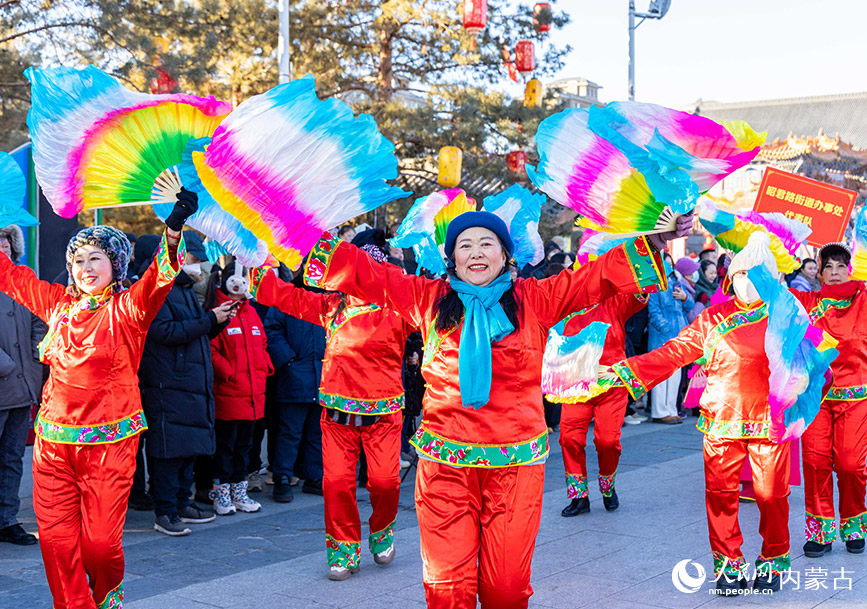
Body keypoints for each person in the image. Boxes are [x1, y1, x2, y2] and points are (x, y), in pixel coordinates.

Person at [296, 210, 687, 607]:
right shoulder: (427, 298)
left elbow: (592, 278)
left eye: (487, 244)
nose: (476, 253)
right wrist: (298, 229)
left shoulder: (535, 298)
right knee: (447, 589)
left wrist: (655, 241)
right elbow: (369, 274)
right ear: (453, 258)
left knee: (506, 590)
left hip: (515, 471)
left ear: (505, 256)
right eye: (465, 245)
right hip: (445, 470)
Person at [0, 192, 196, 608]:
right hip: (53, 446)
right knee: (55, 543)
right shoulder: (56, 304)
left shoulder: (129, 309)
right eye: (78, 260)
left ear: (115, 265)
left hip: (109, 445)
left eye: (96, 259)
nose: (86, 268)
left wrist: (174, 227)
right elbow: (9, 275)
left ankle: (106, 600)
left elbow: (159, 278)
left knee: (100, 546)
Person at [612, 232, 793, 594]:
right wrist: (627, 369)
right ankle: (728, 564)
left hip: (770, 422)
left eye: (756, 274)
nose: (746, 282)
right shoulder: (714, 317)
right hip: (721, 420)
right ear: (731, 277)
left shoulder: (786, 316)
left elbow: (815, 363)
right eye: (741, 274)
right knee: (720, 495)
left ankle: (774, 559)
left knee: (771, 495)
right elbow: (676, 351)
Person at [251, 238, 415, 580]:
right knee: (337, 483)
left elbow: (439, 312)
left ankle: (382, 533)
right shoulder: (332, 306)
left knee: (385, 483)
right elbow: (281, 295)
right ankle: (343, 549)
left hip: (383, 414)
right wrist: (262, 255)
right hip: (337, 415)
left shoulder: (399, 309)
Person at [139, 230, 233, 537]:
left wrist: (219, 320)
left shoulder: (181, 288)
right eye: (192, 259)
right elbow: (163, 331)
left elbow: (195, 334)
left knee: (187, 448)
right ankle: (165, 510)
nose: (198, 266)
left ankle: (181, 501)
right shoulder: (156, 289)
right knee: (168, 450)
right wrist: (209, 321)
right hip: (168, 382)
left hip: (189, 382)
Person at [791, 243, 867, 557]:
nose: (834, 273)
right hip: (813, 396)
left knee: (851, 464)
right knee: (815, 462)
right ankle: (820, 532)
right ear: (818, 273)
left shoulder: (864, 299)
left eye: (840, 266)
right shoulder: (805, 302)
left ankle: (854, 524)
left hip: (856, 394)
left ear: (850, 269)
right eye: (828, 267)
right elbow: (765, 294)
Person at [553, 291, 648, 518]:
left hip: (611, 384)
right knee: (569, 438)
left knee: (608, 440)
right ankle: (579, 496)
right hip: (575, 383)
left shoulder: (614, 299)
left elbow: (640, 294)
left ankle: (607, 485)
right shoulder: (563, 299)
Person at [205, 262, 273, 516]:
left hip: (253, 394)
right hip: (229, 393)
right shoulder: (220, 310)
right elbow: (210, 348)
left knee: (245, 447)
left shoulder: (251, 311)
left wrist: (266, 365)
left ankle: (239, 491)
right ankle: (221, 493)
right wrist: (228, 372)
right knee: (226, 446)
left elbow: (262, 342)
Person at [0, 225, 46, 546]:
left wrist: (36, 351)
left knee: (13, 455)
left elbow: (40, 320)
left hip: (23, 384)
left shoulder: (23, 278)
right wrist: (6, 364)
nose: (1, 245)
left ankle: (6, 518)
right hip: (4, 378)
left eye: (5, 240)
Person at [264, 274, 326, 503]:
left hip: (321, 376)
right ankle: (282, 477)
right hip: (296, 374)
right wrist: (288, 361)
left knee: (316, 432)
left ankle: (314, 477)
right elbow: (271, 331)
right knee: (289, 432)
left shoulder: (326, 299)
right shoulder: (287, 297)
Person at [646, 256, 693, 424]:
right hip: (662, 337)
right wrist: (666, 330)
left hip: (678, 336)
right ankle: (660, 412)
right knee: (661, 376)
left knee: (675, 376)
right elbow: (654, 312)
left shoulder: (676, 282)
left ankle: (671, 409)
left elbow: (690, 305)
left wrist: (684, 297)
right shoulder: (653, 285)